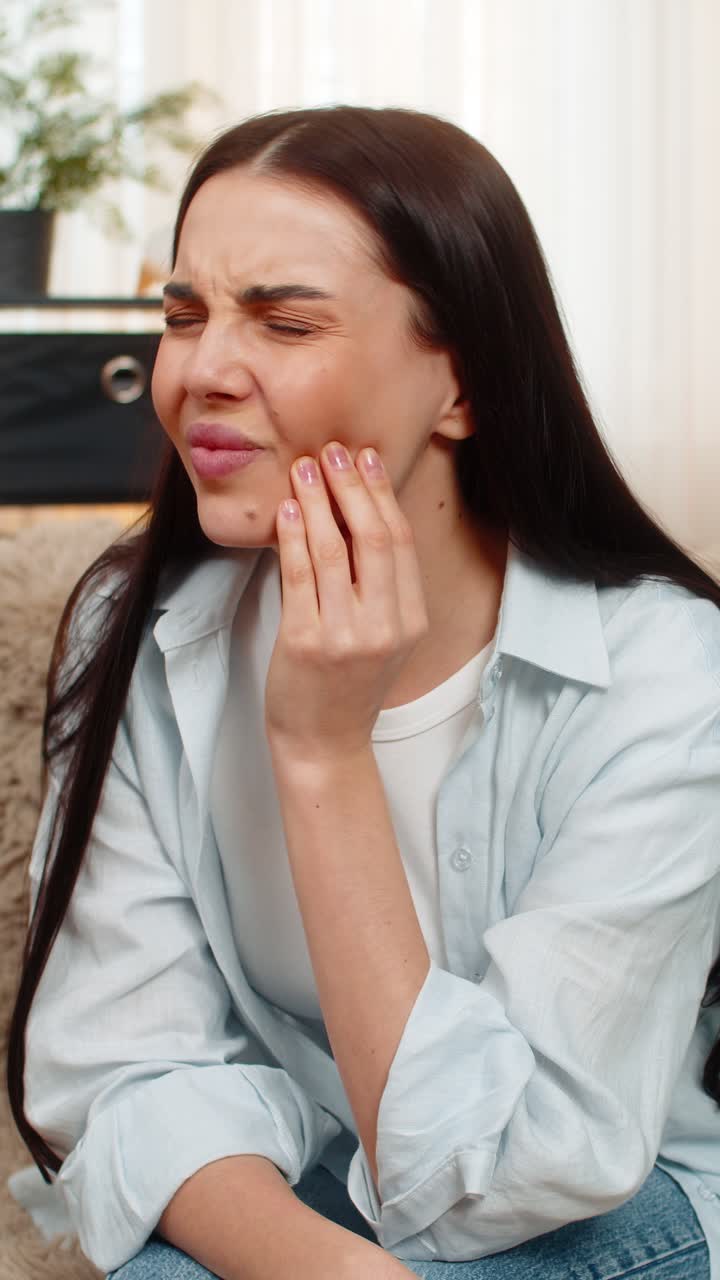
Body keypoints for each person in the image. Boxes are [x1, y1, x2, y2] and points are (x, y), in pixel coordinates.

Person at [6, 105, 720, 1280]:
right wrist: (336, 1272)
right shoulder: (137, 624)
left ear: (463, 385)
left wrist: (323, 749)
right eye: (183, 315)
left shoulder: (662, 670)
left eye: (284, 320)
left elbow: (512, 1169)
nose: (201, 372)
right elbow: (127, 1068)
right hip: (313, 1188)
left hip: (598, 1203)